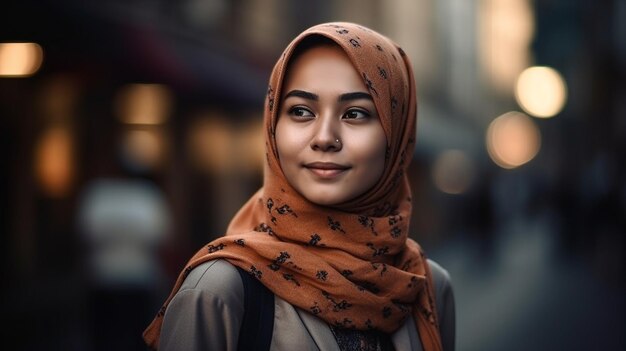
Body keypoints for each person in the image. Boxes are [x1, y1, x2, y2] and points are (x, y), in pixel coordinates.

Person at [143, 22, 455, 351]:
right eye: (301, 111)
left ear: (397, 133)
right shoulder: (220, 292)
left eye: (355, 114)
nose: (324, 138)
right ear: (273, 125)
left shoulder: (427, 288)